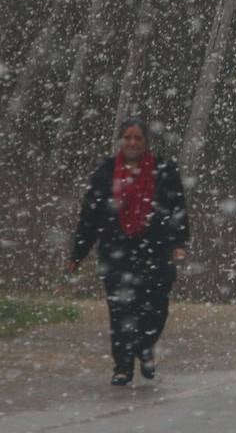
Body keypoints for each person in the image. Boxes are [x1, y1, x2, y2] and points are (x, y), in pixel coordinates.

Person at [66, 117, 190, 386]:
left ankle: (145, 347)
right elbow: (90, 216)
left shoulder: (164, 170)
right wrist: (77, 254)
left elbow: (178, 208)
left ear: (146, 142)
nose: (132, 143)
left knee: (156, 307)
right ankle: (122, 366)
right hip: (116, 252)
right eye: (128, 138)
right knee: (120, 310)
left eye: (138, 138)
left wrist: (179, 243)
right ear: (121, 141)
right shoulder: (105, 171)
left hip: (155, 250)